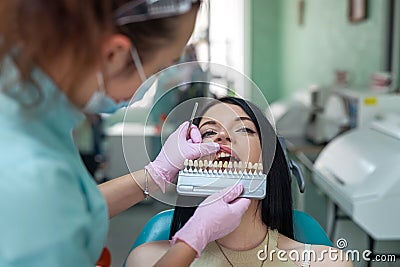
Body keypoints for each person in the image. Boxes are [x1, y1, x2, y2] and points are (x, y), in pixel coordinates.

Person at [0, 1, 251, 266]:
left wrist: (156, 174)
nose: (223, 139)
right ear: (115, 54)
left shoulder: (32, 107)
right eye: (159, 68)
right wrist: (191, 241)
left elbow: (60, 212)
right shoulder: (33, 174)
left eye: (244, 129)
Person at [126, 97, 353, 267]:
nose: (222, 137)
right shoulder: (148, 259)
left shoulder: (326, 263)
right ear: (189, 157)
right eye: (208, 132)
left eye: (244, 129)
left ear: (268, 159)